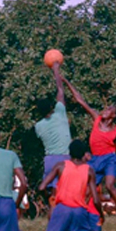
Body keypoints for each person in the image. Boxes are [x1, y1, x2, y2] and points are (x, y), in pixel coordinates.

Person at [61, 76, 116, 231]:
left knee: (109, 185)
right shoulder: (97, 119)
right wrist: (66, 81)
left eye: (109, 110)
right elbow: (81, 101)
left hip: (109, 159)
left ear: (113, 116)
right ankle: (75, 226)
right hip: (95, 160)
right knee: (86, 190)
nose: (105, 110)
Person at [35, 62, 72, 209]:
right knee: (67, 195)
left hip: (49, 159)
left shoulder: (38, 126)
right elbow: (60, 92)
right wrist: (56, 71)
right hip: (65, 158)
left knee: (53, 196)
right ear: (52, 107)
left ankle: (53, 228)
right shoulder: (60, 113)